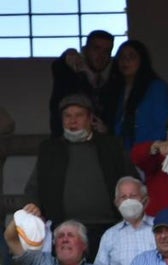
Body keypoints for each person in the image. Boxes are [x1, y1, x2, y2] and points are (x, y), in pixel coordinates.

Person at [26, 93, 134, 248]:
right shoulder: (50, 150)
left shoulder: (111, 146)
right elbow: (34, 187)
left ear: (90, 119)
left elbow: (131, 180)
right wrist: (33, 204)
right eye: (67, 116)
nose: (72, 121)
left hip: (109, 228)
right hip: (65, 230)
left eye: (79, 115)